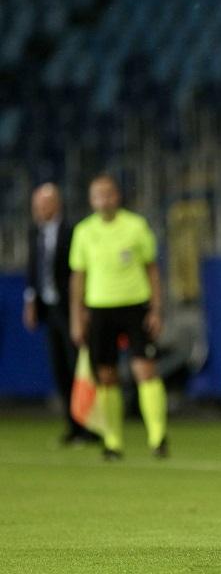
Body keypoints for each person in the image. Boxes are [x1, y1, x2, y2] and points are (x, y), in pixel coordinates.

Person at [69, 174, 168, 460]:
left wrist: (156, 309)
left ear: (117, 196)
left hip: (135, 306)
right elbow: (78, 276)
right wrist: (77, 317)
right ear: (91, 199)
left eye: (108, 193)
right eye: (97, 194)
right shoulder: (84, 231)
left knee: (145, 370)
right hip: (100, 309)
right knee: (106, 375)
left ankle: (158, 437)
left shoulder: (136, 226)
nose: (103, 199)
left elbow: (152, 269)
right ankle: (112, 440)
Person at [23, 183, 94, 444]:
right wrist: (31, 300)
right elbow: (34, 269)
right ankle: (72, 425)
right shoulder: (35, 232)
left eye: (44, 204)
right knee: (60, 368)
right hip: (48, 308)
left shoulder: (74, 231)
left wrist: (82, 308)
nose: (39, 209)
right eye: (36, 205)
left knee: (79, 367)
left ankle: (89, 426)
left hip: (70, 308)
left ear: (57, 204)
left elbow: (80, 272)